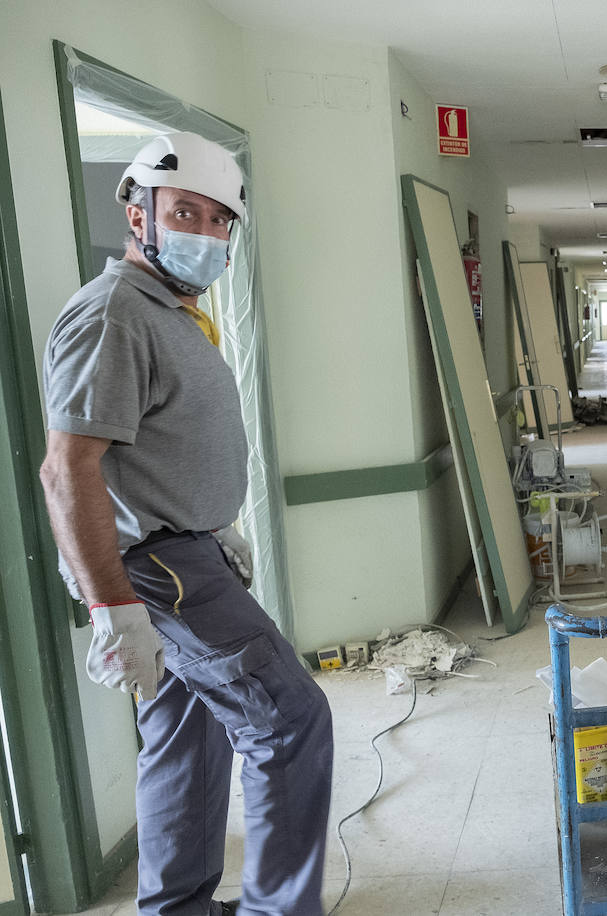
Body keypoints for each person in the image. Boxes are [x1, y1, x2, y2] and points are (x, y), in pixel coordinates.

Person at [39, 132, 334, 916]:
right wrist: (114, 608)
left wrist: (210, 521)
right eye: (183, 213)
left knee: (187, 737)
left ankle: (175, 908)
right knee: (289, 721)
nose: (202, 233)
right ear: (138, 214)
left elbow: (156, 444)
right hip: (159, 569)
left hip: (184, 549)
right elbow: (66, 468)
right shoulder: (114, 315)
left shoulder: (170, 311)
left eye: (216, 220)